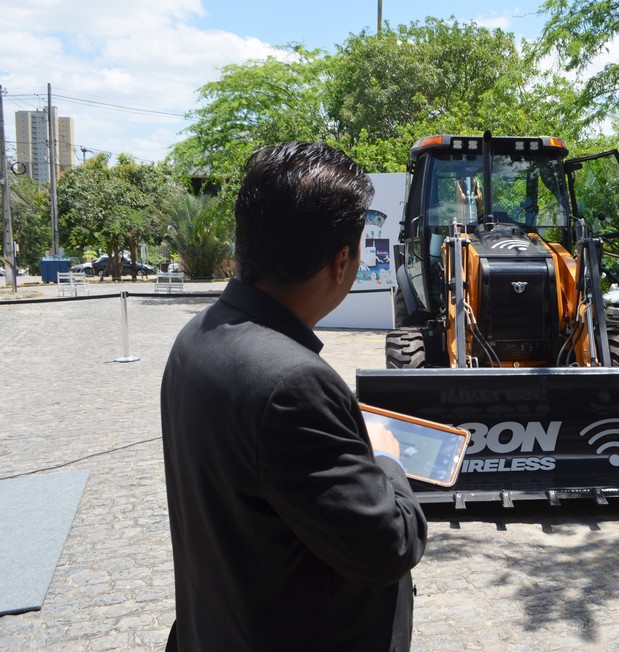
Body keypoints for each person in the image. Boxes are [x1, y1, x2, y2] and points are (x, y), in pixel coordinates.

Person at [161, 142, 427, 651]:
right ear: (342, 260)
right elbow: (387, 546)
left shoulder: (197, 336)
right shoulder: (293, 384)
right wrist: (388, 458)